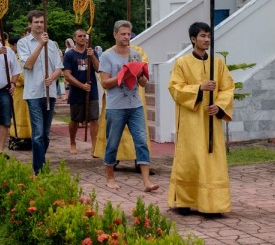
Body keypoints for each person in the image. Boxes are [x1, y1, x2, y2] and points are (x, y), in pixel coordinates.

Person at [167, 22, 234, 216]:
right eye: (203, 36)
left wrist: (219, 105)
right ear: (193, 39)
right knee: (190, 158)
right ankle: (184, 201)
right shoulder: (182, 63)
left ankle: (213, 204)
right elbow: (175, 88)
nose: (207, 40)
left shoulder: (218, 63)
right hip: (191, 119)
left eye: (208, 36)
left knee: (212, 158)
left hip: (211, 118)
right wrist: (199, 88)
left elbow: (228, 87)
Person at [98, 20, 159, 192]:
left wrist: (140, 75)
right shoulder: (107, 56)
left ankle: (146, 181)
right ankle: (110, 177)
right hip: (115, 107)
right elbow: (104, 83)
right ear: (115, 35)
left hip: (135, 105)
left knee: (141, 141)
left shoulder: (136, 55)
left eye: (129, 34)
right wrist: (123, 76)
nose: (126, 37)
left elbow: (143, 83)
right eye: (123, 34)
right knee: (112, 143)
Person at [17, 10, 63, 174]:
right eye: (36, 22)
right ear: (30, 24)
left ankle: (39, 161)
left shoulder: (53, 44)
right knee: (37, 134)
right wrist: (40, 45)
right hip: (34, 93)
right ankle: (39, 169)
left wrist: (52, 77)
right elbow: (28, 64)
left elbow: (59, 67)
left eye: (42, 22)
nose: (39, 25)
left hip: (49, 93)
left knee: (45, 135)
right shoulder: (23, 43)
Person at [63, 28, 99, 155]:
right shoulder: (69, 55)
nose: (83, 38)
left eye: (84, 36)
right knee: (75, 119)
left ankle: (94, 145)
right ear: (74, 38)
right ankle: (73, 142)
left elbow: (98, 68)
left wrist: (92, 56)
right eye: (80, 36)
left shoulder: (91, 52)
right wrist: (81, 86)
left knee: (94, 118)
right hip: (77, 92)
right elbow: (67, 75)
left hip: (92, 91)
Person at [7, 35, 32, 150]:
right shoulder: (15, 57)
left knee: (28, 114)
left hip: (28, 90)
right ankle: (19, 136)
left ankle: (28, 137)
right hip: (19, 90)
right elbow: (18, 75)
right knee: (19, 114)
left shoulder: (24, 56)